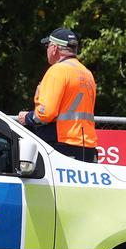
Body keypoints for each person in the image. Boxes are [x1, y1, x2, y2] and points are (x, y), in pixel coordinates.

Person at [16, 27, 98, 162]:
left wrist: (28, 117)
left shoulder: (58, 71)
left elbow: (46, 113)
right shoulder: (86, 73)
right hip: (87, 145)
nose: (47, 50)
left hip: (62, 144)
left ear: (54, 48)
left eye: (47, 46)